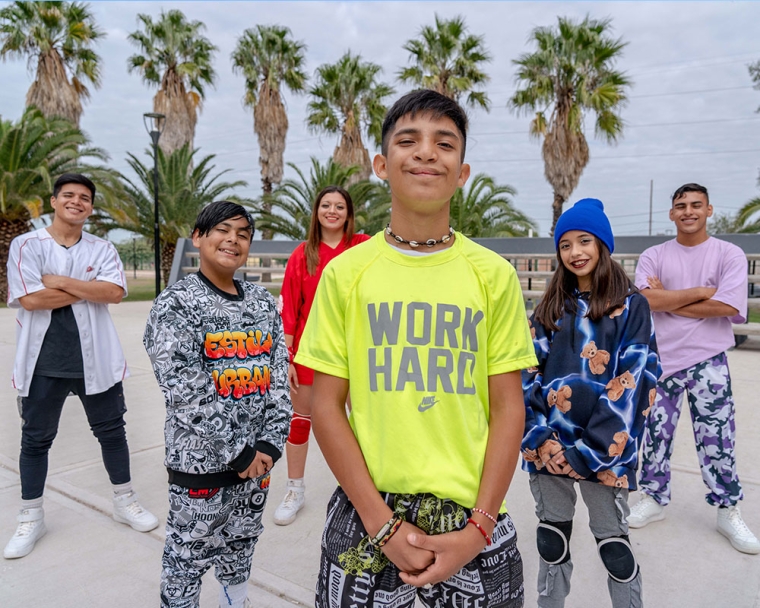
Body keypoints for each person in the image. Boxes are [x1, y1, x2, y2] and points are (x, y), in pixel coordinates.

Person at [295, 89, 537, 607]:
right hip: (368, 514)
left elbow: (508, 407)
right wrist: (379, 523)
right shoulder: (346, 274)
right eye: (409, 140)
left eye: (444, 143)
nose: (426, 152)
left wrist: (479, 530)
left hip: (471, 519)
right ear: (382, 164)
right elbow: (326, 406)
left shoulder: (492, 275)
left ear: (462, 171)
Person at [143, 200, 291, 608]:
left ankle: (236, 599)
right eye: (223, 230)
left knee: (243, 541)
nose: (233, 240)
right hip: (202, 466)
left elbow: (279, 376)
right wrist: (238, 451)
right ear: (199, 238)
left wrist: (270, 444)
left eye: (243, 234)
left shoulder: (262, 302)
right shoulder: (175, 304)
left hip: (257, 464)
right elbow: (185, 391)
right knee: (186, 556)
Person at [3, 173, 158, 560]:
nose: (77, 201)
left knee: (112, 433)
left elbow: (115, 293)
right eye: (68, 195)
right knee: (36, 440)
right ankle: (31, 516)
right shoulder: (26, 244)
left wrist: (58, 282)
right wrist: (85, 287)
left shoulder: (102, 248)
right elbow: (31, 300)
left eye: (85, 198)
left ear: (91, 207)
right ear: (53, 202)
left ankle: (125, 502)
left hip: (97, 362)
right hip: (43, 364)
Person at [521, 198, 660, 607]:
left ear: (602, 245)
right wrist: (541, 438)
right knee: (552, 541)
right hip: (548, 451)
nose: (575, 252)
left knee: (614, 549)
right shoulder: (550, 306)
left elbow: (635, 381)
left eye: (584, 241)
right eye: (565, 244)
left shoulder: (632, 306)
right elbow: (525, 373)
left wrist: (587, 453)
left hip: (604, 454)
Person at [628, 183, 760, 554]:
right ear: (672, 213)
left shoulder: (728, 253)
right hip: (662, 360)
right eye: (681, 205)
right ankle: (653, 499)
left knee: (718, 439)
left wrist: (667, 299)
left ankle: (726, 508)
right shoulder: (654, 254)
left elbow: (727, 307)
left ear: (709, 210)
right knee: (654, 438)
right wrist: (703, 291)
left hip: (709, 359)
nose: (688, 211)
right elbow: (645, 300)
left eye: (696, 205)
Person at [273, 186, 370, 526]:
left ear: (348, 212)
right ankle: (294, 488)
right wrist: (285, 357)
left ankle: (365, 492)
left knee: (363, 422)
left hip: (356, 350)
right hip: (310, 351)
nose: (332, 211)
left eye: (339, 206)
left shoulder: (363, 246)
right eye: (325, 205)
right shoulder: (303, 254)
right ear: (316, 212)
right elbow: (290, 309)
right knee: (300, 421)